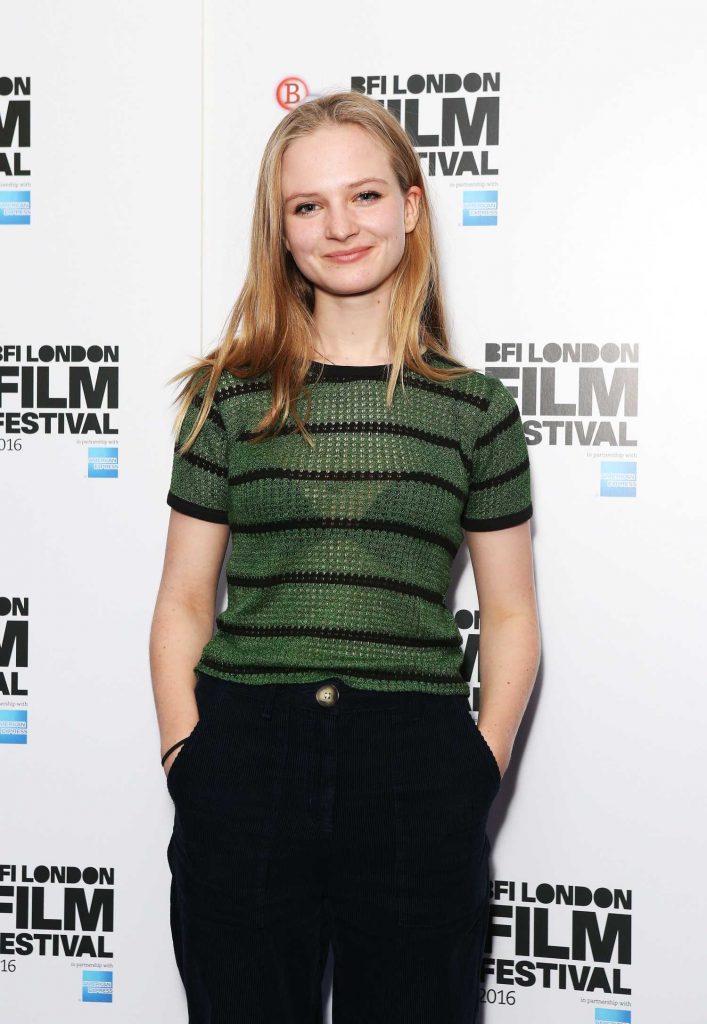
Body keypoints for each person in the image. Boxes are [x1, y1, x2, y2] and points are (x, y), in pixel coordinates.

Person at [149, 89, 540, 1024]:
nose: (340, 226)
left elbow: (514, 613)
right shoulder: (226, 399)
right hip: (244, 759)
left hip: (415, 767)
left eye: (365, 196)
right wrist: (184, 756)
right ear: (280, 231)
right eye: (307, 206)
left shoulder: (475, 411)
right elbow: (182, 601)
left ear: (410, 206)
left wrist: (475, 768)